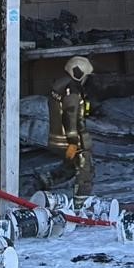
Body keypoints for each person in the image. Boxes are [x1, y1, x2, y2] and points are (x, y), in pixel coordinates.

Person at [41, 56, 95, 196]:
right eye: (86, 76)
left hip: (59, 139)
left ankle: (46, 180)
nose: (86, 80)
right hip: (72, 140)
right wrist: (73, 142)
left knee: (70, 166)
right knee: (84, 171)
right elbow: (70, 115)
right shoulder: (72, 91)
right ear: (79, 73)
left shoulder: (60, 86)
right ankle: (81, 202)